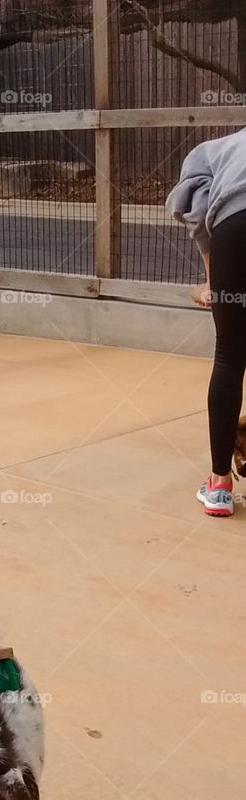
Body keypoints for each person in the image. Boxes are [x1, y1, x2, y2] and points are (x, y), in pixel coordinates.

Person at [166, 128, 246, 517]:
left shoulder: (209, 152)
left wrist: (214, 278)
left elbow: (197, 214)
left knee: (230, 355)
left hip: (237, 224)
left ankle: (218, 487)